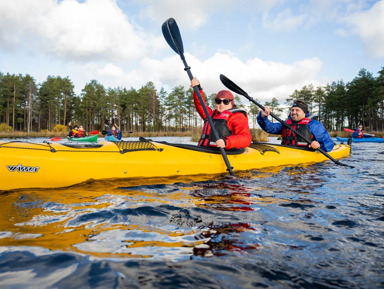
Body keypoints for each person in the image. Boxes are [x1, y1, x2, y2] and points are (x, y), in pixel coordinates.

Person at [190, 77, 252, 150]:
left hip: (227, 152)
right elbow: (200, 104)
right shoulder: (210, 114)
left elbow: (246, 138)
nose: (221, 104)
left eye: (225, 101)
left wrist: (226, 142)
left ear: (231, 103)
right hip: (206, 150)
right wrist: (198, 89)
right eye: (218, 101)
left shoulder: (237, 116)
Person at [257, 100, 334, 152]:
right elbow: (270, 128)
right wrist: (263, 117)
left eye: (297, 110)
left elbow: (329, 143)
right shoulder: (286, 124)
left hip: (306, 156)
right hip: (287, 153)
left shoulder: (314, 125)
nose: (294, 112)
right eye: (292, 110)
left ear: (304, 113)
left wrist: (319, 145)